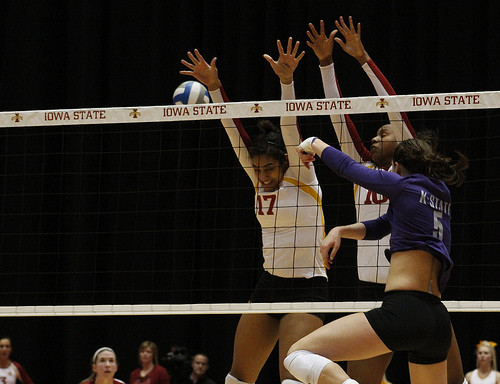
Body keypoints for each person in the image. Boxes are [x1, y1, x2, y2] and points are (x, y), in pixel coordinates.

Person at [305, 16, 466, 384]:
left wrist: (363, 59)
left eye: (383, 132)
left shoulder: (412, 176)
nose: (376, 137)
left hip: (412, 294)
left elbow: (393, 106)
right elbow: (337, 114)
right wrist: (326, 64)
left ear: (406, 148)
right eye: (374, 134)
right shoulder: (368, 168)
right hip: (377, 293)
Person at [180, 37, 328, 384]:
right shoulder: (258, 180)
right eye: (257, 169)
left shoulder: (301, 176)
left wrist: (286, 81)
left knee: (292, 378)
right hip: (269, 285)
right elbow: (234, 133)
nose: (262, 175)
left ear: (284, 163)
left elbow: (289, 125)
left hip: (307, 288)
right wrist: (215, 88)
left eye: (268, 169)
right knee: (237, 378)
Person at [284, 134, 468, 384]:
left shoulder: (402, 185)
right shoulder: (440, 194)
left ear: (397, 167)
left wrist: (313, 142)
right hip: (436, 318)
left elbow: (348, 168)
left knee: (297, 354)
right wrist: (340, 230)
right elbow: (384, 224)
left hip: (404, 310)